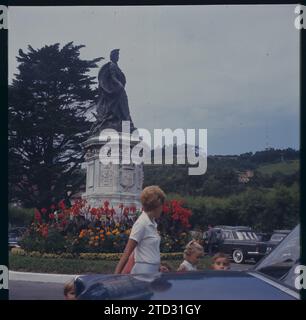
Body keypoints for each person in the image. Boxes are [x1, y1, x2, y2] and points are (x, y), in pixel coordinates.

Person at [114, 186, 167, 274]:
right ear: (156, 206)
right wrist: (115, 276)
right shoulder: (141, 224)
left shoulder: (152, 223)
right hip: (143, 273)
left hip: (153, 271)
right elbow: (127, 253)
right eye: (162, 206)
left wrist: (159, 266)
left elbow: (150, 251)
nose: (162, 209)